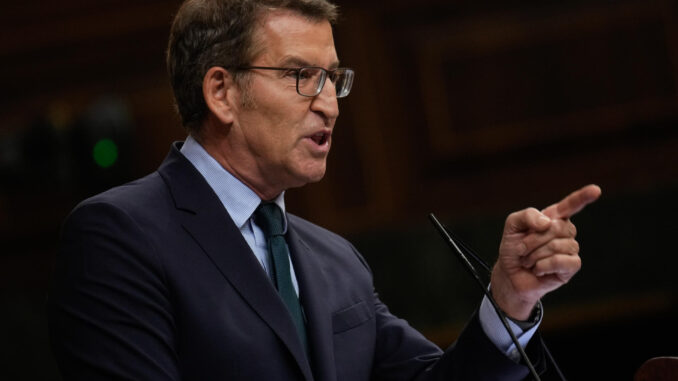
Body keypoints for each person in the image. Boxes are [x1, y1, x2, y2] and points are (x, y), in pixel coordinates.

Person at [47, 0, 602, 380]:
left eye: (333, 78)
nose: (330, 103)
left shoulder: (337, 261)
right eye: (300, 76)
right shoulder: (120, 235)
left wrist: (511, 299)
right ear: (221, 92)